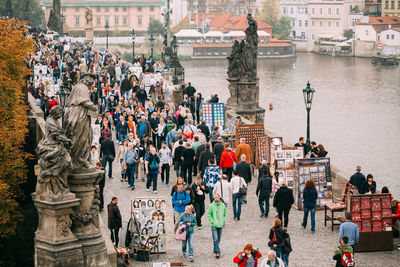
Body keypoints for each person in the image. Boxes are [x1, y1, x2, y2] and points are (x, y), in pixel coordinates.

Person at [207, 193, 227, 259]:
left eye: (217, 197)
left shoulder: (223, 205)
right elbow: (209, 215)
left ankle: (215, 248)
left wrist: (223, 220)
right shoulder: (211, 206)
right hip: (214, 225)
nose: (216, 199)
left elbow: (225, 213)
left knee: (218, 239)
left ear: (219, 197)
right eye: (215, 197)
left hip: (220, 225)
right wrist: (212, 221)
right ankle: (218, 252)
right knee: (215, 239)